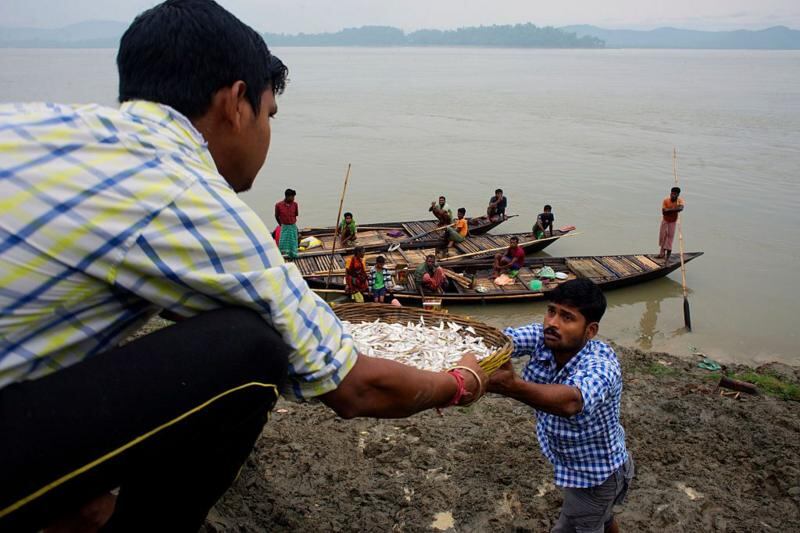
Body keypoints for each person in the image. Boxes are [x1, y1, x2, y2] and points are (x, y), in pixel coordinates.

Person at [0, 2, 487, 531]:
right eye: (269, 114)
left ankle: (80, 507)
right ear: (236, 103)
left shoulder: (41, 124)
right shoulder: (180, 189)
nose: (268, 132)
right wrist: (459, 382)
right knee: (248, 346)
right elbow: (355, 387)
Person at [488, 279, 633, 533]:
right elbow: (501, 341)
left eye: (567, 317)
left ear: (590, 331)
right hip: (576, 466)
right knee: (603, 518)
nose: (552, 323)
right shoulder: (544, 338)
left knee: (575, 526)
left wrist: (512, 386)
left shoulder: (602, 364)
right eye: (551, 311)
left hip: (597, 476)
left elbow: (571, 401)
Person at [657, 187, 685, 263]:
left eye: (675, 194)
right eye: (672, 194)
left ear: (678, 195)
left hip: (672, 222)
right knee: (663, 237)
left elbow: (681, 208)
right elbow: (664, 212)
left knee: (669, 239)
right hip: (665, 221)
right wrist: (675, 209)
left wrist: (669, 210)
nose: (673, 195)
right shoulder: (666, 200)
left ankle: (667, 259)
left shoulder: (680, 201)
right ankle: (662, 254)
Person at [275, 188, 299, 258]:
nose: (294, 198)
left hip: (293, 226)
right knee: (282, 244)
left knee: (293, 243)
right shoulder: (278, 205)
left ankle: (293, 256)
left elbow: (296, 214)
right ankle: (283, 257)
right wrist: (281, 224)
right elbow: (276, 216)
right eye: (292, 197)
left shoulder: (295, 204)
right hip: (284, 226)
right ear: (287, 196)